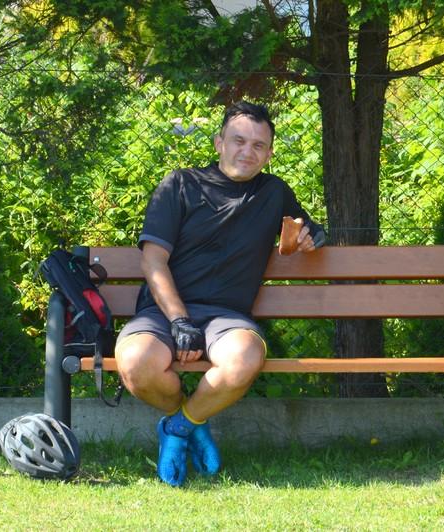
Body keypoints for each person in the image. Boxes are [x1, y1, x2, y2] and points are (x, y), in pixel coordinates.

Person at [115, 101, 325, 487]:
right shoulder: (180, 184)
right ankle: (193, 421)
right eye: (238, 141)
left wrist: (312, 235)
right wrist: (179, 321)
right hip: (164, 312)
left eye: (258, 145)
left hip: (227, 318)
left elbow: (302, 227)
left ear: (269, 153)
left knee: (244, 359)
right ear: (219, 143)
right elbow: (153, 261)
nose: (247, 152)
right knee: (136, 364)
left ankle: (179, 427)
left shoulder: (274, 192)